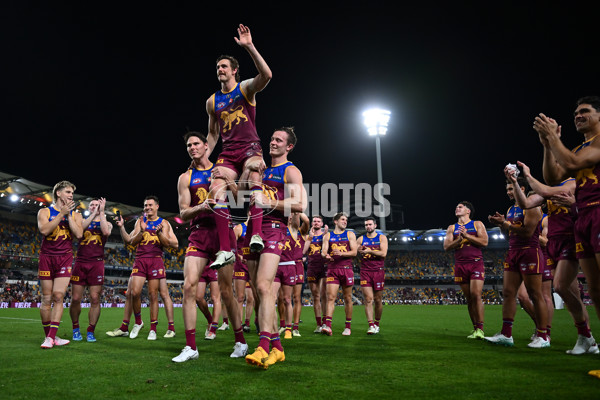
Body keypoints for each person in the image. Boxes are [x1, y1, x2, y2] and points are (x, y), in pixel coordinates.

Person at [172, 132, 248, 363]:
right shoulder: (185, 177)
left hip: (223, 232)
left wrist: (230, 181)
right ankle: (190, 346)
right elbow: (183, 212)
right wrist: (202, 207)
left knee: (226, 292)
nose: (192, 147)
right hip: (199, 234)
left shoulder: (222, 169)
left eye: (196, 143)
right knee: (188, 287)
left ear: (207, 146)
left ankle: (240, 341)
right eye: (188, 145)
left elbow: (241, 199)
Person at [205, 24, 273, 269]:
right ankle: (225, 250)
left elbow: (266, 76)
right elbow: (213, 134)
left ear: (234, 70)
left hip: (250, 149)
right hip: (228, 154)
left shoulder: (244, 89)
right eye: (217, 67)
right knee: (215, 189)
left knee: (255, 174)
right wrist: (203, 159)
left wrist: (249, 47)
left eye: (224, 66)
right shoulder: (212, 101)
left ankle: (256, 234)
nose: (219, 70)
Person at [244, 127, 306, 369]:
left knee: (263, 285)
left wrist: (268, 201)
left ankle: (262, 346)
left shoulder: (290, 170)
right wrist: (239, 174)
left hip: (274, 230)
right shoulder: (262, 168)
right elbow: (240, 194)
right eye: (271, 138)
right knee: (261, 293)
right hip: (253, 230)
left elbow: (300, 203)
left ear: (289, 147)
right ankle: (277, 348)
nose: (273, 142)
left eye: (278, 140)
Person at [485, 176, 549, 348]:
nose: (508, 192)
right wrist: (501, 225)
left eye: (511, 189)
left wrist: (506, 224)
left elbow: (528, 232)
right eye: (507, 189)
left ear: (520, 188)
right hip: (513, 252)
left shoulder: (531, 205)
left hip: (530, 252)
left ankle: (543, 335)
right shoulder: (511, 209)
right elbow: (509, 235)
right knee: (508, 293)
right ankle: (506, 334)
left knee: (535, 294)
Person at [109, 196, 178, 341]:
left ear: (157, 206)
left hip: (155, 260)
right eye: (146, 205)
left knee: (153, 295)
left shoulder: (164, 223)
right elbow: (129, 241)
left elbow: (174, 244)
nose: (147, 207)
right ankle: (138, 322)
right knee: (134, 293)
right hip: (140, 260)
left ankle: (153, 329)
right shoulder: (140, 222)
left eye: (150, 205)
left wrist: (159, 234)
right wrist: (125, 228)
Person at [38, 181, 83, 348]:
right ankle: (49, 337)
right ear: (58, 193)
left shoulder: (76, 215)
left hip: (64, 258)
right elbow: (44, 230)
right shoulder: (44, 211)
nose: (71, 195)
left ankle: (51, 337)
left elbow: (79, 234)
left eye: (72, 193)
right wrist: (60, 214)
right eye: (68, 192)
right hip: (46, 258)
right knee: (46, 298)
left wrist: (69, 215)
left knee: (58, 296)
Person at [443, 202, 488, 339]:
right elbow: (446, 246)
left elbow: (484, 242)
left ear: (468, 210)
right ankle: (475, 329)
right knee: (469, 299)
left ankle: (480, 329)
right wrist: (459, 241)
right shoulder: (452, 227)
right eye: (456, 206)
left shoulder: (477, 224)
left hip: (475, 263)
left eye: (460, 207)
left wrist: (467, 236)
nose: (457, 208)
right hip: (460, 265)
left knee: (475, 295)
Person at [70, 198, 112, 343]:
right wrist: (94, 215)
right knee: (75, 298)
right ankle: (75, 328)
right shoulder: (81, 220)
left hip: (97, 263)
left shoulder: (107, 222)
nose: (94, 206)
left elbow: (105, 232)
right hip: (81, 262)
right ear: (89, 207)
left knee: (95, 298)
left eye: (97, 205)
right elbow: (79, 231)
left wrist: (101, 213)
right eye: (92, 205)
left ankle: (90, 330)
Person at [321, 212, 358, 336]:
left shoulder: (350, 234)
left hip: (346, 268)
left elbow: (354, 252)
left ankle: (348, 327)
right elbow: (323, 251)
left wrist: (341, 253)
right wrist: (325, 255)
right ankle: (328, 326)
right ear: (335, 221)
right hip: (333, 269)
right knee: (330, 298)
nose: (345, 221)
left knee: (347, 298)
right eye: (342, 219)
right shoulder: (328, 236)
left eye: (346, 220)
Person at [357, 217, 388, 335]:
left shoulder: (382, 238)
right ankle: (370, 325)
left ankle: (377, 324)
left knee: (378, 300)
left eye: (370, 224)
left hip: (378, 271)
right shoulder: (360, 239)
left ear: (375, 225)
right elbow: (353, 251)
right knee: (368, 299)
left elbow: (383, 253)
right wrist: (358, 250)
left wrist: (369, 251)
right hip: (365, 271)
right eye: (366, 225)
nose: (368, 227)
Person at [304, 215, 328, 333]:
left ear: (322, 224)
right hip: (312, 267)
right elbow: (303, 251)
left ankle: (325, 323)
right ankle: (319, 324)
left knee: (324, 295)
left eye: (318, 221)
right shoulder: (308, 236)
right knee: (316, 297)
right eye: (314, 221)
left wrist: (325, 236)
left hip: (323, 267)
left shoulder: (326, 236)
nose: (316, 223)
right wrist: (310, 238)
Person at [233, 218, 255, 333]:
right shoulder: (239, 228)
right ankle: (238, 325)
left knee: (252, 298)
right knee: (240, 297)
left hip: (253, 265)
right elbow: (232, 245)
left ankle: (248, 322)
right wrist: (239, 256)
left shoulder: (257, 229)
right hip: (240, 266)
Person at [290, 212, 310, 337]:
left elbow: (307, 222)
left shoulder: (301, 232)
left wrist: (297, 210)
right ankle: (284, 325)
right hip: (283, 264)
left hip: (297, 266)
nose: (292, 217)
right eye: (290, 214)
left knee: (297, 298)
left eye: (294, 215)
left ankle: (295, 327)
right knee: (283, 298)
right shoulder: (282, 229)